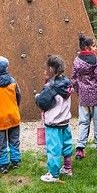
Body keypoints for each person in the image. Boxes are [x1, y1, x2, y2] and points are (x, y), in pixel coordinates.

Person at [35, 54, 73, 183]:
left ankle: (53, 174)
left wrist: (37, 97)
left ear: (51, 69)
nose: (44, 72)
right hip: (65, 121)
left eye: (46, 69)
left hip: (53, 123)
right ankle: (67, 168)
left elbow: (42, 102)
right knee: (67, 145)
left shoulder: (51, 87)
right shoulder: (67, 83)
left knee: (53, 149)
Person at [72, 34, 97, 159]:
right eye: (93, 46)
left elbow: (74, 79)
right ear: (87, 47)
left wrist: (79, 90)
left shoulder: (76, 61)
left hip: (83, 97)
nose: (95, 48)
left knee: (83, 122)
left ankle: (80, 148)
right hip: (96, 97)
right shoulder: (96, 62)